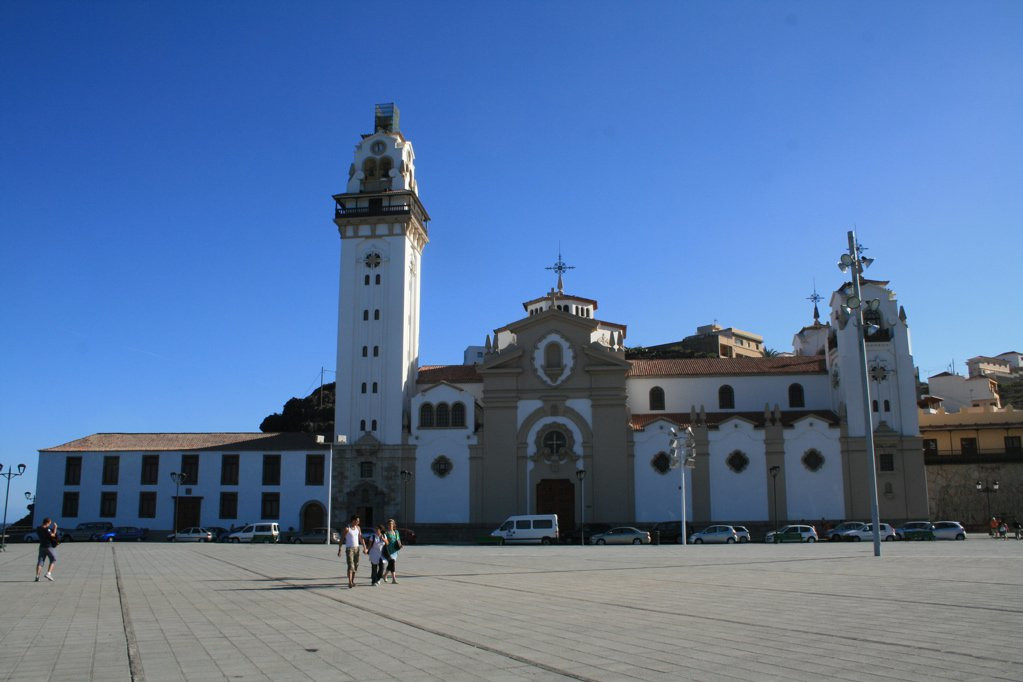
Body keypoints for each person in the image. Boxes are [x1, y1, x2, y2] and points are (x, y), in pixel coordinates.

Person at [337, 515, 367, 589]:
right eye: (357, 520)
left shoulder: (358, 528)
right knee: (351, 565)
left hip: (357, 549)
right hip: (349, 549)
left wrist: (365, 547)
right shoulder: (347, 529)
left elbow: (361, 538)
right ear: (353, 520)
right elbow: (341, 539)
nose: (358, 522)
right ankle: (350, 582)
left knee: (356, 565)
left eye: (359, 521)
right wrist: (340, 549)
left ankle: (352, 581)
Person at [35, 518, 58, 582]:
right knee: (53, 559)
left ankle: (37, 576)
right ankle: (48, 573)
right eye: (50, 523)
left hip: (41, 546)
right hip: (48, 546)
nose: (50, 524)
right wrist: (55, 528)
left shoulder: (38, 529)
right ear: (47, 522)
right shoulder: (47, 529)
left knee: (41, 561)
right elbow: (53, 535)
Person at [383, 518, 403, 584]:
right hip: (388, 551)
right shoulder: (386, 533)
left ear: (394, 524)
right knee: (392, 563)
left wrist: (400, 545)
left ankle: (385, 575)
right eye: (389, 524)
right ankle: (393, 579)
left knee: (391, 563)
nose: (390, 525)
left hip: (395, 551)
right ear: (387, 525)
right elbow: (384, 542)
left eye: (391, 524)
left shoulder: (396, 532)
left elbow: (398, 540)